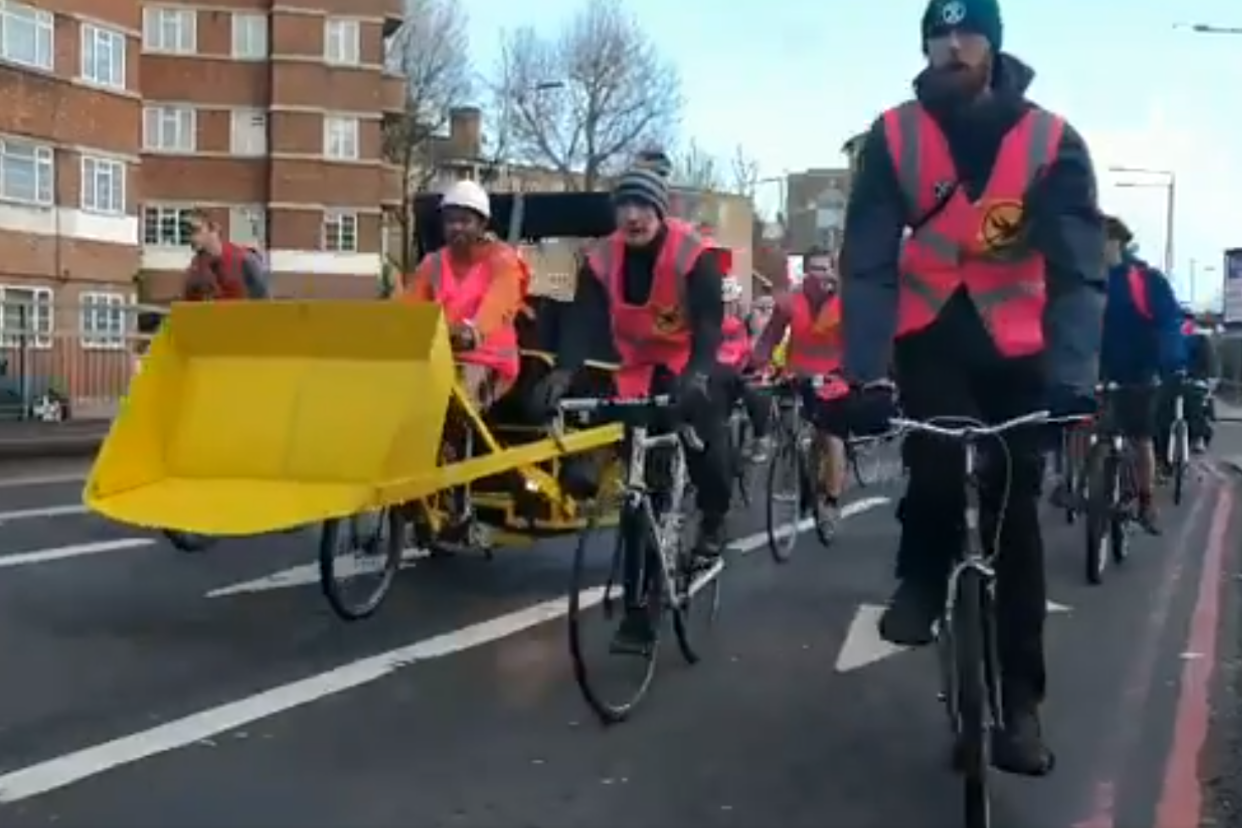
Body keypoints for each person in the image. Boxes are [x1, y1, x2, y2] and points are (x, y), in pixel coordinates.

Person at [833, 0, 1104, 775]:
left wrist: (1075, 379)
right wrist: (865, 371)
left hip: (1022, 348)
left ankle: (1020, 710)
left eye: (968, 34)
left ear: (994, 45)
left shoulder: (1053, 141)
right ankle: (921, 576)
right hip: (932, 338)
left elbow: (1080, 269)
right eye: (938, 36)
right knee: (940, 464)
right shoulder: (893, 136)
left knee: (1016, 519)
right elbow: (869, 258)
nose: (952, 48)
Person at [535, 165, 733, 653]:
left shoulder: (692, 254)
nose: (633, 216)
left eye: (644, 206)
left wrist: (699, 375)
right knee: (637, 489)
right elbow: (582, 321)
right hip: (637, 366)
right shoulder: (601, 258)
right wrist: (563, 372)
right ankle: (638, 610)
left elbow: (710, 323)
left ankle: (713, 515)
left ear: (660, 211)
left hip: (690, 358)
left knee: (704, 426)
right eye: (625, 206)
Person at [398, 180, 528, 411]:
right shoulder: (433, 263)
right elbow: (406, 310)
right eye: (450, 221)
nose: (456, 227)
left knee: (448, 403)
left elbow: (497, 306)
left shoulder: (503, 261)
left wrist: (473, 333)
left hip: (488, 361)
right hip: (439, 357)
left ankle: (447, 446)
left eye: (465, 221)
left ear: (482, 224)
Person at [750, 246, 850, 523]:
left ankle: (831, 498)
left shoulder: (845, 301)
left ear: (833, 270)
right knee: (794, 430)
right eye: (815, 268)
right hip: (799, 374)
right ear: (805, 271)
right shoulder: (790, 301)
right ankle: (798, 476)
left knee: (830, 435)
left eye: (826, 268)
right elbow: (770, 337)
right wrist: (760, 364)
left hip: (833, 377)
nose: (821, 274)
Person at [1098, 215, 1182, 531]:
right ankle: (1079, 482)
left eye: (1101, 240)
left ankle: (1145, 501)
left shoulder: (1146, 280)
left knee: (1140, 437)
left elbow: (1168, 323)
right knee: (1076, 423)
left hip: (1139, 368)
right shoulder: (1086, 279)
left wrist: (1169, 362)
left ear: (1117, 242)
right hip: (1099, 366)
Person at [718, 275, 773, 462]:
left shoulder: (750, 319)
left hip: (748, 369)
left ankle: (760, 437)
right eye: (723, 304)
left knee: (756, 391)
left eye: (731, 303)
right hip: (722, 372)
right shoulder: (710, 322)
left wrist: (757, 335)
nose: (728, 309)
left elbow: (759, 347)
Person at [182, 209, 270, 300]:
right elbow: (189, 310)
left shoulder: (246, 260)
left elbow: (265, 306)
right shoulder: (194, 269)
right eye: (188, 232)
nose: (191, 237)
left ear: (214, 229)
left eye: (196, 230)